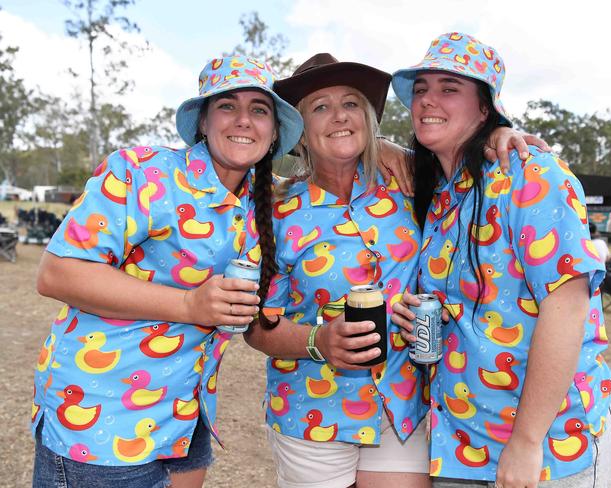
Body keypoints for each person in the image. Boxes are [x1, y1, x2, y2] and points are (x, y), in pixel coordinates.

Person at [244, 53, 544, 488]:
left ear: (369, 119)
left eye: (350, 103)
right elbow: (256, 327)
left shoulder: (414, 188)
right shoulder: (274, 214)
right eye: (320, 107)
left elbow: (460, 152)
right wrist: (318, 341)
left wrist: (495, 132)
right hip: (312, 414)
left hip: (401, 408)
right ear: (300, 132)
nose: (339, 116)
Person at [30, 56, 303, 488]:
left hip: (184, 415)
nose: (244, 120)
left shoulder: (261, 205)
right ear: (203, 123)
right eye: (227, 106)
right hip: (105, 416)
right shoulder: (142, 172)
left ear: (273, 134)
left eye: (259, 109)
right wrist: (189, 303)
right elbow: (57, 273)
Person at [391, 33, 611, 488]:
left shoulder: (532, 175)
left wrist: (526, 440)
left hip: (553, 446)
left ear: (486, 109)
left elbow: (567, 307)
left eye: (448, 88)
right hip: (460, 445)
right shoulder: (441, 196)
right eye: (421, 88)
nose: (427, 100)